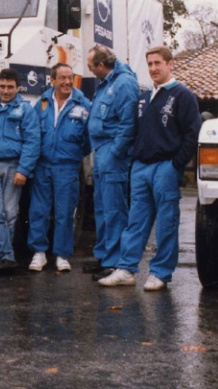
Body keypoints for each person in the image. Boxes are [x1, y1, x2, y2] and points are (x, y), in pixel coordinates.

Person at [99, 46, 203, 291]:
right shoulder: (144, 97)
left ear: (170, 64)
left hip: (165, 166)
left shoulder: (182, 95)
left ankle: (160, 273)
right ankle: (126, 269)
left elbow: (193, 132)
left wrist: (176, 164)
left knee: (166, 222)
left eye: (158, 63)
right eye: (150, 64)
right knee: (135, 220)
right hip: (141, 167)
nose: (154, 68)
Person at [27, 63, 92, 273]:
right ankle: (39, 253)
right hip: (42, 166)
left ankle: (62, 255)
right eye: (62, 78)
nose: (66, 82)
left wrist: (70, 155)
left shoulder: (83, 105)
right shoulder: (42, 103)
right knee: (39, 210)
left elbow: (88, 140)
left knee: (65, 212)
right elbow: (33, 133)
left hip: (67, 166)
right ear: (52, 80)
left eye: (70, 77)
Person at [85, 46, 140, 281]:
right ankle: (104, 255)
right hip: (101, 149)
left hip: (112, 151)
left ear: (100, 65)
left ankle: (115, 260)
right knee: (101, 207)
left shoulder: (124, 83)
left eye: (90, 67)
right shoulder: (107, 83)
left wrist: (116, 153)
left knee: (114, 208)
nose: (90, 71)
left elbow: (128, 123)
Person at [0, 68, 40, 274]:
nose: (5, 91)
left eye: (10, 87)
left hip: (14, 166)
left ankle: (1, 255)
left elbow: (32, 142)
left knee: (10, 213)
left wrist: (23, 170)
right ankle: (7, 255)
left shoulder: (26, 110)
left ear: (17, 88)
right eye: (2, 86)